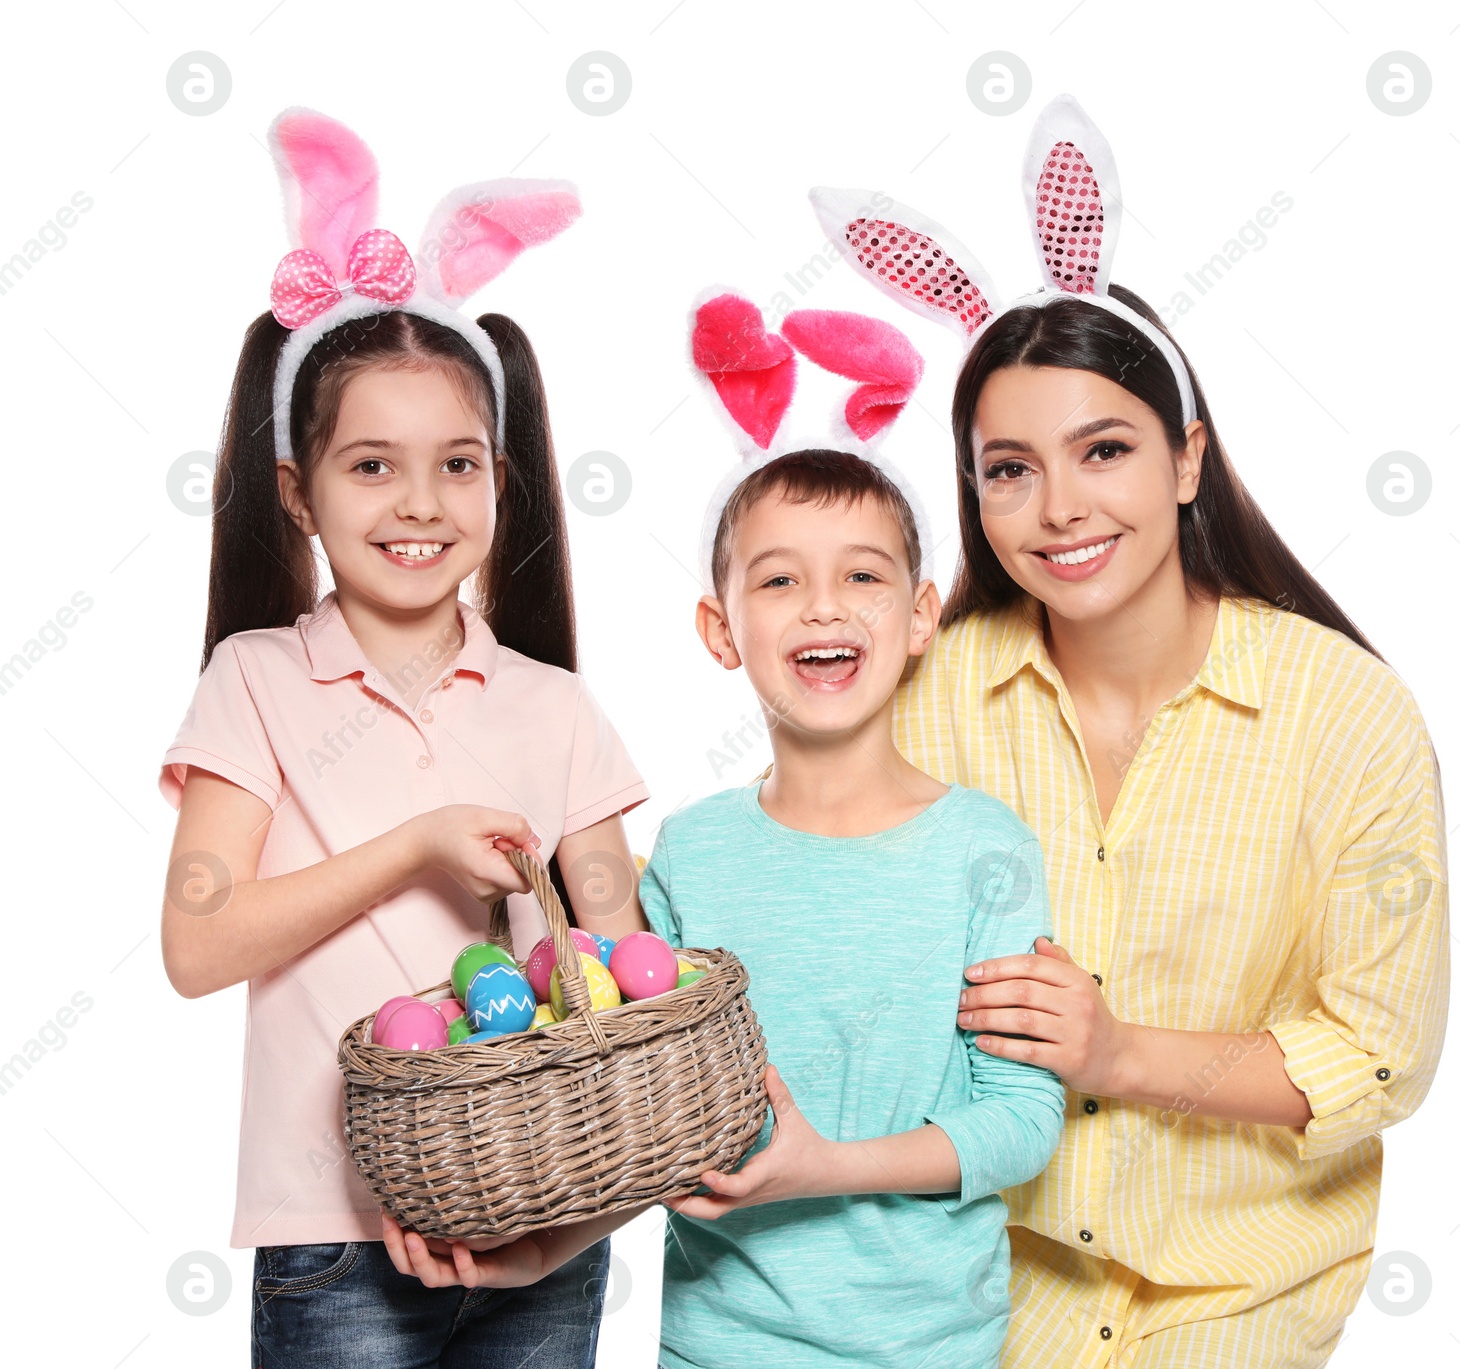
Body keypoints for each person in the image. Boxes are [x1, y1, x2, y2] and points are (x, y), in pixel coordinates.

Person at [819, 95, 1450, 1366]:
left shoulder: (1345, 710)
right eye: (1008, 468)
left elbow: (1381, 1059)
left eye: (1101, 448)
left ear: (1184, 458)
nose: (1057, 508)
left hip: (1242, 1290)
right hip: (980, 1274)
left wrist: (1116, 1051)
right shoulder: (927, 693)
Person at [158, 107, 649, 1368]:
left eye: (460, 465)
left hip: (542, 1222)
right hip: (334, 1236)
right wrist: (414, 845)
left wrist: (572, 1211)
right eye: (371, 466)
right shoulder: (255, 680)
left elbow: (618, 968)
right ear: (297, 491)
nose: (422, 503)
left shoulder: (555, 705)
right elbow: (198, 944)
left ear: (503, 477)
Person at [639, 444, 1065, 1369]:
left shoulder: (984, 849)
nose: (824, 604)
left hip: (929, 1347)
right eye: (781, 577)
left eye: (862, 575)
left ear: (920, 616)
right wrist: (530, 1252)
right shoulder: (690, 850)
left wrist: (828, 1167)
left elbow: (1024, 1120)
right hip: (714, 1343)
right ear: (722, 630)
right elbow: (641, 1106)